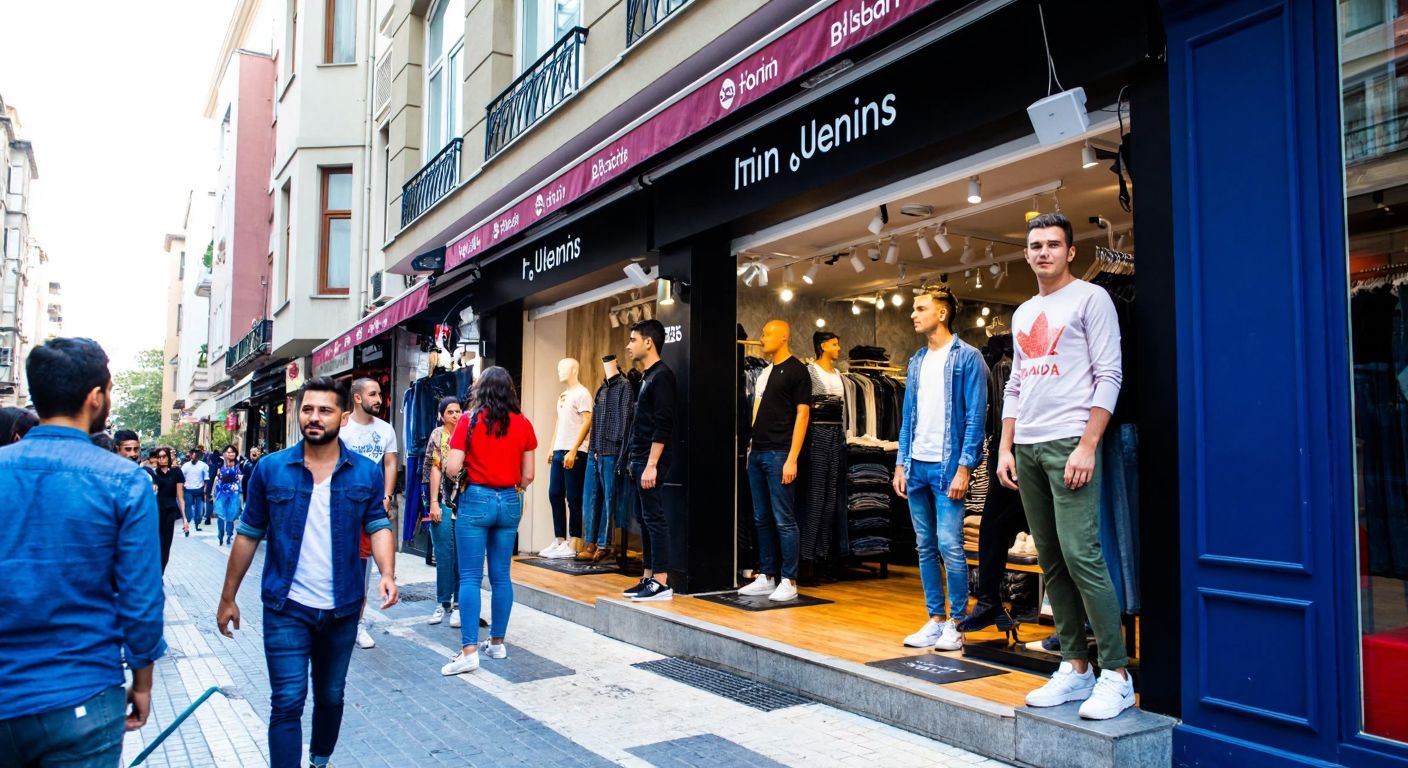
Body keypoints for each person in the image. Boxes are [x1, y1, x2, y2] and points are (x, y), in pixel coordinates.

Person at [217, 377, 398, 768]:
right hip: (286, 605)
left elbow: (379, 525)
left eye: (325, 410)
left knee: (331, 695)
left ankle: (319, 760)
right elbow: (249, 534)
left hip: (343, 607)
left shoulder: (365, 473)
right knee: (286, 699)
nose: (314, 418)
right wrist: (228, 595)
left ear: (343, 416)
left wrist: (387, 572)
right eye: (307, 409)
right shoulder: (270, 469)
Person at [0, 338, 165, 765]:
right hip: (82, 696)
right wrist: (142, 682)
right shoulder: (124, 481)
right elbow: (141, 600)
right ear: (96, 398)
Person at [995, 212, 1132, 720]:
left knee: (1083, 555)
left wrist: (1088, 444)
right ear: (1027, 253)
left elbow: (1109, 375)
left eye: (1054, 244)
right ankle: (1076, 668)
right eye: (1036, 245)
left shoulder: (1092, 299)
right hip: (1027, 446)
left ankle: (1116, 673)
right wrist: (1006, 445)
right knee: (1051, 561)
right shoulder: (1023, 312)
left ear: (1070, 252)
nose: (1044, 252)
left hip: (1069, 441)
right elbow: (1015, 383)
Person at [893, 286, 989, 651]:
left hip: (948, 467)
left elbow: (976, 417)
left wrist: (966, 467)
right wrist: (901, 462)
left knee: (951, 546)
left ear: (942, 313)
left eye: (920, 309)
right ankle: (934, 619)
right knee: (924, 545)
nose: (913, 315)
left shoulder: (968, 358)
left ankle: (957, 621)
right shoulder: (916, 361)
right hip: (917, 465)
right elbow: (907, 418)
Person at [440, 367, 537, 674]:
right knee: (501, 577)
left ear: (480, 390)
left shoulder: (467, 420)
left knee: (469, 577)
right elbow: (529, 475)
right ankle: (496, 643)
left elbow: (453, 467)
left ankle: (469, 650)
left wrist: (453, 463)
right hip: (509, 501)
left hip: (476, 500)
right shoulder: (523, 424)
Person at [737, 319, 811, 603]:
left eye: (767, 333)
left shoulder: (797, 371)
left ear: (783, 336)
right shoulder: (765, 372)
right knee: (761, 517)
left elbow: (803, 415)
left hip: (781, 453)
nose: (762, 337)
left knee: (784, 519)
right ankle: (767, 575)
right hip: (758, 453)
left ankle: (789, 579)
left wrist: (792, 458)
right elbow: (757, 412)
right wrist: (752, 448)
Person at [340, 378, 399, 650]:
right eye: (373, 394)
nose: (379, 399)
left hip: (372, 509)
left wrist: (386, 496)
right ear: (357, 398)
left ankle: (357, 625)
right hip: (342, 507)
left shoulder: (386, 429)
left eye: (380, 393)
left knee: (364, 569)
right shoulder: (342, 428)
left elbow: (390, 463)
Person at [621, 319, 677, 602]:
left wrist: (652, 463)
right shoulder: (647, 377)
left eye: (633, 339)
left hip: (650, 459)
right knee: (644, 519)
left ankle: (662, 582)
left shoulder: (662, 376)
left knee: (654, 518)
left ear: (648, 342)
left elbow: (663, 422)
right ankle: (648, 576)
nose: (629, 345)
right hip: (639, 457)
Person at [424, 396, 462, 628]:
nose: (456, 416)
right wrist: (434, 502)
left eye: (458, 411)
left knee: (461, 555)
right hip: (443, 500)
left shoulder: (467, 433)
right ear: (442, 415)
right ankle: (442, 602)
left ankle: (459, 604)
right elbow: (434, 469)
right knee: (443, 552)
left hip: (465, 500)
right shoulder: (437, 435)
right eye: (450, 412)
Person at [151, 446, 189, 568]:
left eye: (164, 456)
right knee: (155, 545)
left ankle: (160, 573)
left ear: (168, 457)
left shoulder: (177, 472)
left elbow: (180, 497)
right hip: (155, 513)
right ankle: (155, 574)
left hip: (170, 512)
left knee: (166, 547)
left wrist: (185, 519)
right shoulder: (153, 473)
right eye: (159, 457)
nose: (162, 459)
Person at [213, 445, 244, 546]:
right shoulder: (220, 464)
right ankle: (220, 534)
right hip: (221, 492)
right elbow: (216, 478)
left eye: (233, 452)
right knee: (221, 515)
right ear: (224, 453)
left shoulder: (239, 465)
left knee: (231, 515)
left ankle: (229, 534)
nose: (231, 454)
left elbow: (241, 479)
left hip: (234, 493)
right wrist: (212, 493)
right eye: (228, 452)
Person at [181, 448, 210, 532]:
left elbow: (206, 478)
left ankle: (197, 524)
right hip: (188, 490)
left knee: (199, 512)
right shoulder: (185, 466)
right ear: (190, 455)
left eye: (195, 455)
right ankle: (187, 524)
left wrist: (205, 489)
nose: (193, 457)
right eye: (192, 455)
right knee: (188, 510)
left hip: (199, 490)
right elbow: (181, 478)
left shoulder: (203, 465)